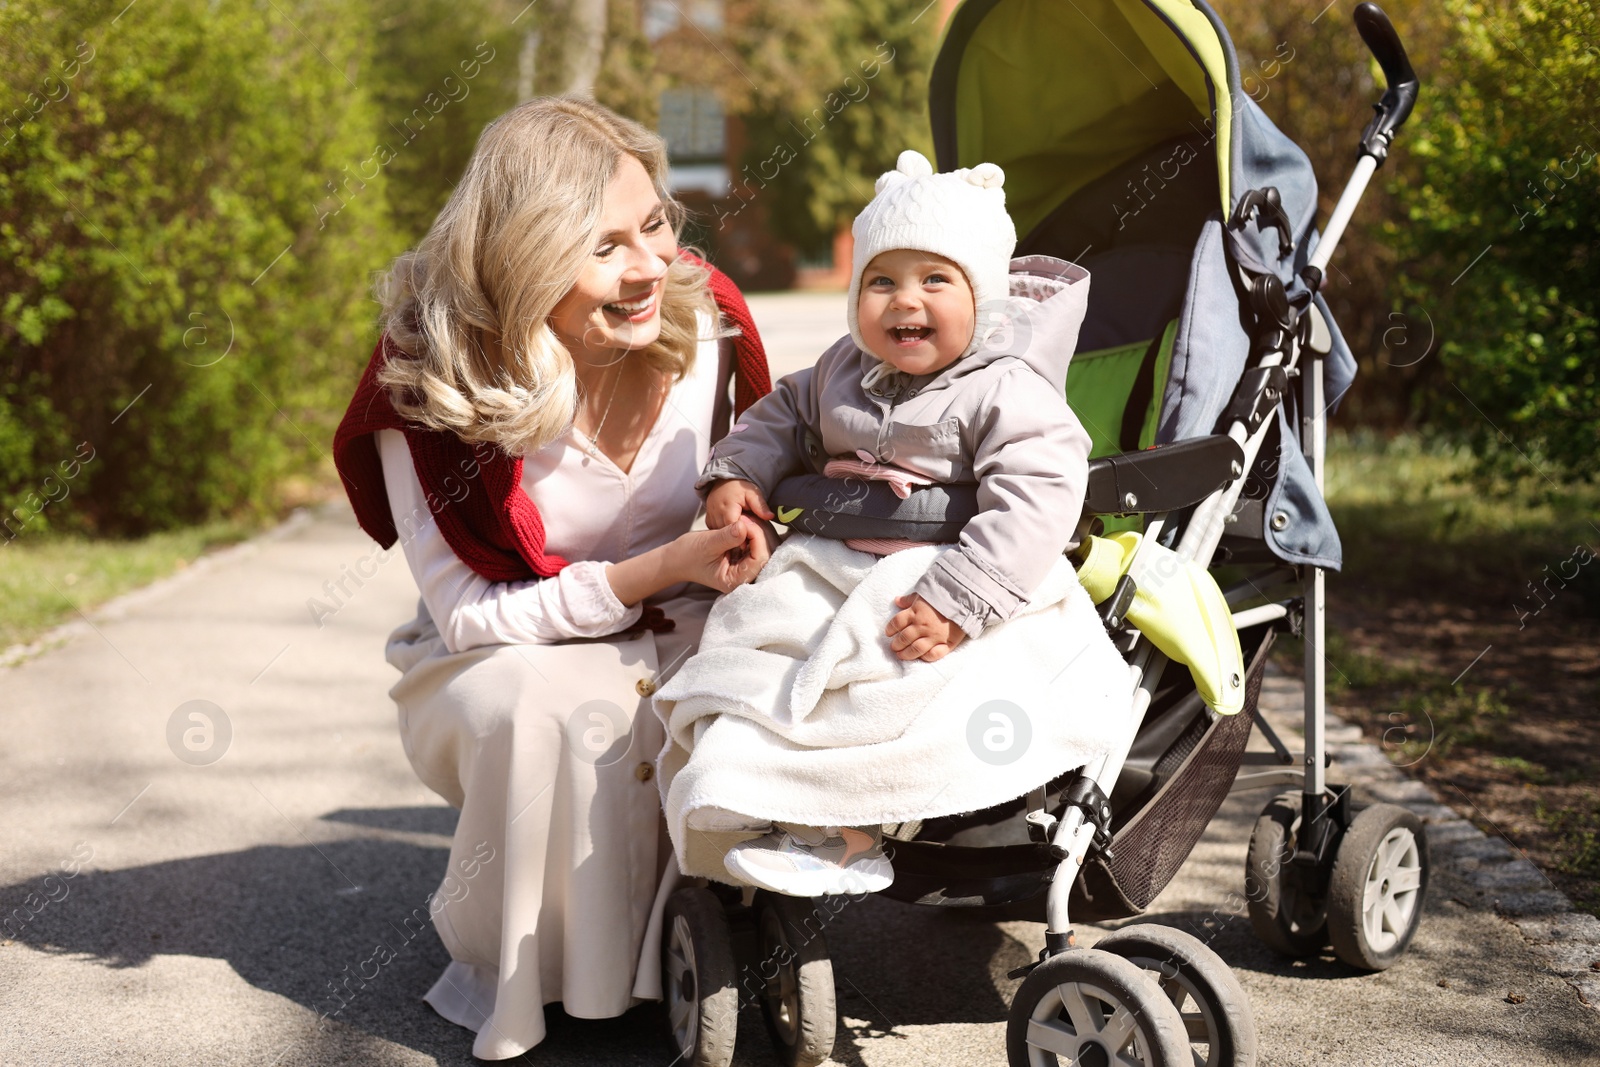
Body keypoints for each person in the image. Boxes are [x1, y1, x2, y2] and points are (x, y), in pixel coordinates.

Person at [331, 96, 773, 1060]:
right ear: (526, 254)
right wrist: (648, 573)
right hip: (497, 653)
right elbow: (469, 618)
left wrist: (738, 501)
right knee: (550, 700)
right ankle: (540, 977)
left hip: (688, 614)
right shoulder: (429, 376)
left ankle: (722, 937)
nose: (653, 264)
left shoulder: (707, 323)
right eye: (606, 245)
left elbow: (762, 458)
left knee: (777, 665)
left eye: (655, 222)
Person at [654, 149, 1135, 898]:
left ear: (983, 300)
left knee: (894, 686)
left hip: (951, 577)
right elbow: (778, 417)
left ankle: (852, 822)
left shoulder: (1007, 388)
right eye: (882, 280)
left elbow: (1039, 494)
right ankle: (757, 795)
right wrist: (737, 474)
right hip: (832, 558)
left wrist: (960, 596)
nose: (904, 300)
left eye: (935, 280)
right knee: (754, 648)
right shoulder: (839, 371)